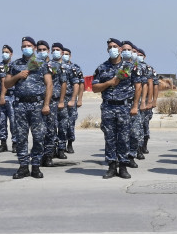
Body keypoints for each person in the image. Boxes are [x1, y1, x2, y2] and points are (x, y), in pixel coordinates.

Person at [92, 38, 143, 179]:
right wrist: (109, 82)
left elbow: (138, 87)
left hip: (125, 106)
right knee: (109, 138)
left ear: (120, 49)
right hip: (108, 106)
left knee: (124, 138)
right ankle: (111, 166)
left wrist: (134, 106)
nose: (112, 49)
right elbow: (95, 87)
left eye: (115, 46)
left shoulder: (130, 67)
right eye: (110, 47)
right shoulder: (102, 67)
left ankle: (123, 167)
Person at [4, 36, 53, 179]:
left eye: (29, 45)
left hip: (37, 105)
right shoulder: (15, 64)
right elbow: (7, 84)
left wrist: (46, 104)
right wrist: (18, 76)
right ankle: (23, 166)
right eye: (24, 46)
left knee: (38, 137)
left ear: (34, 48)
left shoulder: (41, 64)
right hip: (20, 105)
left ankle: (36, 166)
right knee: (21, 137)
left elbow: (49, 85)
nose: (26, 48)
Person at [41, 42, 68, 167]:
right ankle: (40, 153)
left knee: (52, 129)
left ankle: (49, 154)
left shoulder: (56, 66)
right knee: (40, 130)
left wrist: (61, 101)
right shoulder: (35, 65)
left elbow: (63, 83)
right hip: (38, 101)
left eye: (44, 49)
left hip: (53, 100)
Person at [62, 48, 84, 154]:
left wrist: (78, 99)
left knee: (70, 122)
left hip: (71, 98)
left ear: (70, 56)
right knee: (59, 124)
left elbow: (81, 84)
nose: (64, 56)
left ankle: (69, 143)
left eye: (66, 54)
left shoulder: (75, 68)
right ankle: (59, 146)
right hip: (59, 99)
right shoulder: (56, 67)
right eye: (63, 54)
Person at [137, 48, 157, 155]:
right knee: (137, 125)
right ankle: (137, 148)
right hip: (134, 100)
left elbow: (154, 84)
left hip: (144, 100)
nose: (138, 56)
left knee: (144, 124)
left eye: (140, 54)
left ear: (144, 56)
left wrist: (151, 100)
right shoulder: (130, 67)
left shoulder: (148, 69)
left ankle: (143, 145)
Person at [0, 45, 16, 153]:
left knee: (13, 121)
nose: (5, 53)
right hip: (1, 97)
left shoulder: (14, 65)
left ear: (11, 54)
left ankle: (15, 143)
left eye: (7, 52)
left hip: (12, 96)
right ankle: (3, 143)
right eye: (3, 52)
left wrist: (3, 96)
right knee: (1, 121)